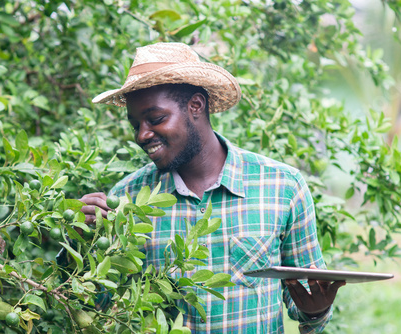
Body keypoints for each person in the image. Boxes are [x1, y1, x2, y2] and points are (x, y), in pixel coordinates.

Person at [79, 42, 345, 333]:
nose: (142, 135)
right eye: (135, 124)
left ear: (196, 106)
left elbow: (309, 300)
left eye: (155, 119)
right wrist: (82, 241)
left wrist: (315, 309)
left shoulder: (282, 187)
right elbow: (97, 304)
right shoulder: (127, 198)